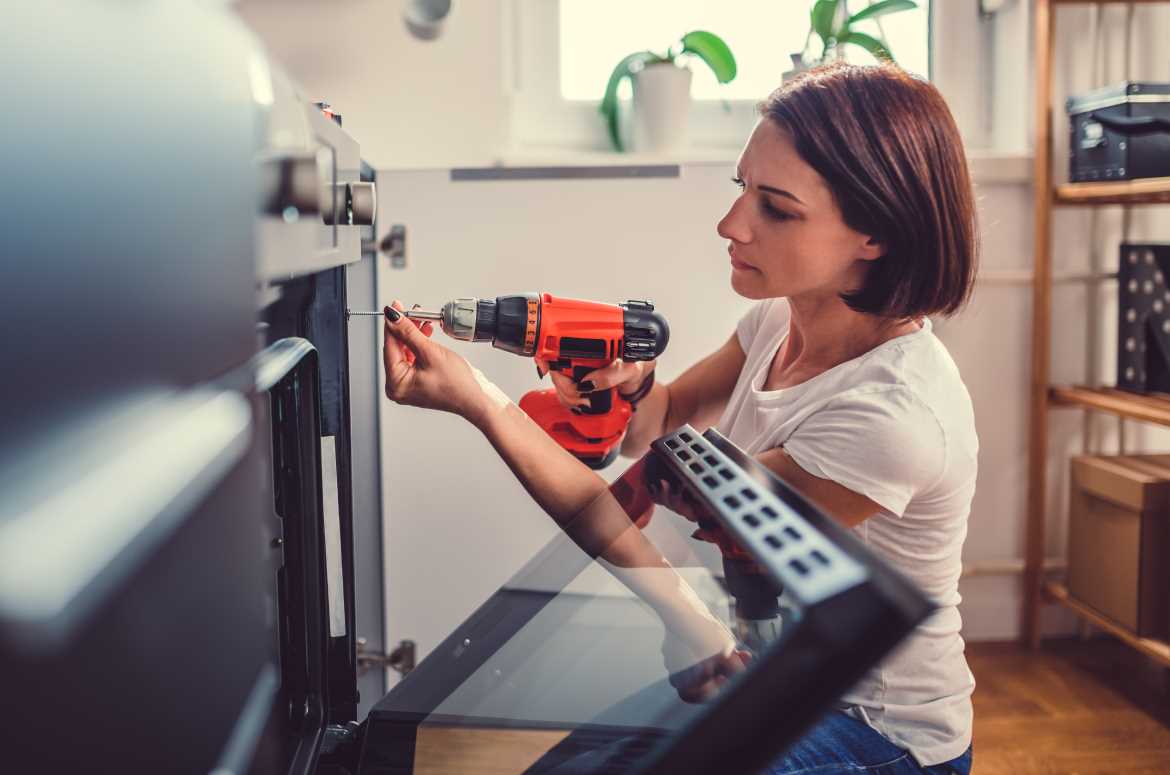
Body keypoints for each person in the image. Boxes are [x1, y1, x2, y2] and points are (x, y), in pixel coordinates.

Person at [381, 61, 978, 775]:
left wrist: (479, 399)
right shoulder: (776, 323)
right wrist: (632, 385)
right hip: (768, 670)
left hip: (872, 733)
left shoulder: (890, 416)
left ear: (873, 232)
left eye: (776, 208)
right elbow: (653, 427)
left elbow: (628, 522)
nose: (731, 225)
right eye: (741, 188)